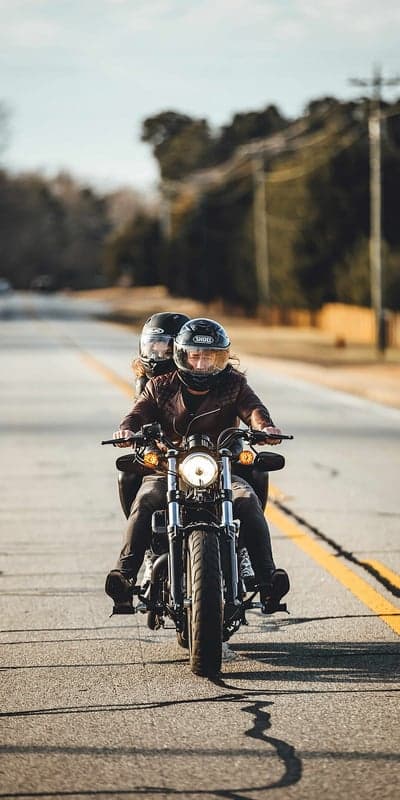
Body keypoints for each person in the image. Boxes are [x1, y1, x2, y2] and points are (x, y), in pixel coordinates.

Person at [106, 318, 290, 615]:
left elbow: (254, 409)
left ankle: (268, 580)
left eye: (210, 357)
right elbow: (138, 412)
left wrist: (265, 427)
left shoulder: (233, 383)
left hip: (221, 467)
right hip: (169, 467)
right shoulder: (160, 385)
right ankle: (125, 577)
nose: (202, 364)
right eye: (196, 355)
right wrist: (127, 430)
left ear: (221, 358)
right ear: (182, 355)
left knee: (247, 501)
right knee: (144, 501)